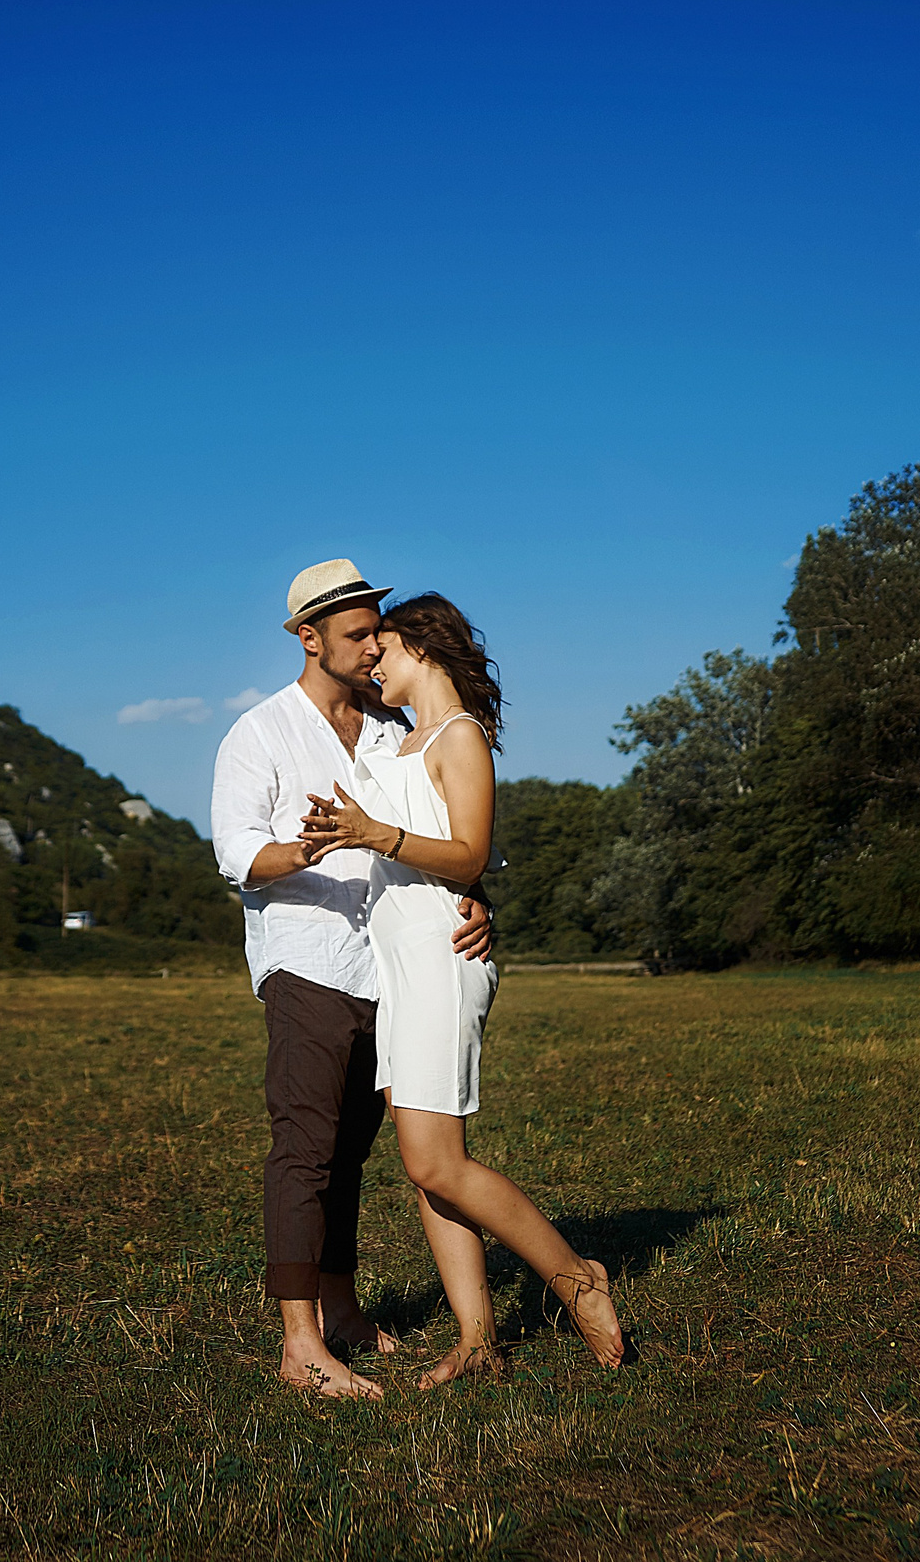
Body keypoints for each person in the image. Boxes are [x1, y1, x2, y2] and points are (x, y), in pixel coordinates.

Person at [301, 592, 627, 1388]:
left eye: (383, 646)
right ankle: (478, 1339)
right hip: (399, 968)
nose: (372, 659)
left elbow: (470, 851)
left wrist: (380, 836)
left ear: (422, 646)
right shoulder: (401, 739)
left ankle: (578, 1280)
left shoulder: (460, 735)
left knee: (436, 1161)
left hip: (442, 957)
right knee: (428, 1167)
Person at [211, 559, 495, 1401]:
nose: (375, 647)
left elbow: (444, 830)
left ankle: (341, 1310)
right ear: (310, 638)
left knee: (350, 1154)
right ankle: (301, 1345)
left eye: (379, 632)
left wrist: (477, 895)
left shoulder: (389, 727)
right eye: (359, 633)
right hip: (307, 961)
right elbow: (236, 854)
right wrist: (314, 845)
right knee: (304, 1149)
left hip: (392, 971)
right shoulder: (259, 732)